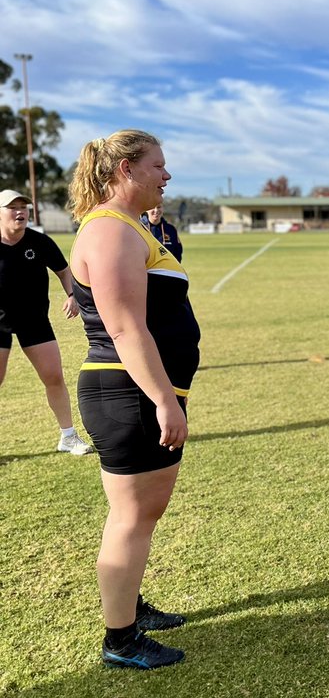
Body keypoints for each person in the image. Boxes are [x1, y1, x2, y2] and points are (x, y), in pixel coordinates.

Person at [68, 131, 201, 670]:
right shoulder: (109, 231)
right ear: (125, 169)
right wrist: (165, 401)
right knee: (131, 517)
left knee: (140, 513)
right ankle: (120, 639)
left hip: (134, 391)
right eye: (158, 166)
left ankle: (130, 607)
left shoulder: (123, 229)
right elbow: (126, 330)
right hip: (129, 393)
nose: (166, 176)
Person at [0, 188, 93, 455]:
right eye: (12, 207)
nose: (20, 212)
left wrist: (73, 295)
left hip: (34, 319)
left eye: (24, 207)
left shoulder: (39, 242)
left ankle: (68, 437)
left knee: (53, 376)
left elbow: (65, 272)